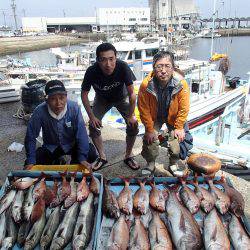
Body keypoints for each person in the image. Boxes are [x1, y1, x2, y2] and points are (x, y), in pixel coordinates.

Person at [81, 42, 139, 171]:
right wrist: (92, 117)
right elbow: (84, 95)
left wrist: (130, 116)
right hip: (102, 99)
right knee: (93, 125)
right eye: (103, 60)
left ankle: (128, 155)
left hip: (121, 98)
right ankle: (102, 156)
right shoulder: (91, 71)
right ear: (97, 60)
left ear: (116, 57)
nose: (108, 64)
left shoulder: (123, 67)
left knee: (133, 124)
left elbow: (132, 94)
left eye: (111, 59)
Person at [138, 51, 193, 176]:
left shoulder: (181, 83)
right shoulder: (146, 85)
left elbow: (184, 108)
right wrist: (149, 129)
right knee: (150, 139)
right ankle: (150, 163)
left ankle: (173, 163)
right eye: (159, 66)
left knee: (176, 140)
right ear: (154, 67)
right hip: (154, 116)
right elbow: (143, 109)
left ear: (173, 67)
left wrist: (179, 127)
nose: (163, 70)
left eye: (167, 66)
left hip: (173, 117)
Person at [24, 80, 97, 170]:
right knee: (32, 161)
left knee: (91, 153)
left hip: (72, 145)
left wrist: (82, 157)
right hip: (51, 146)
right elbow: (30, 136)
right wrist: (31, 160)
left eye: (62, 98)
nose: (58, 103)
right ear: (46, 100)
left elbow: (81, 133)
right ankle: (57, 160)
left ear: (66, 97)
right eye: (53, 99)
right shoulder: (39, 111)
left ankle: (73, 165)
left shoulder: (74, 108)